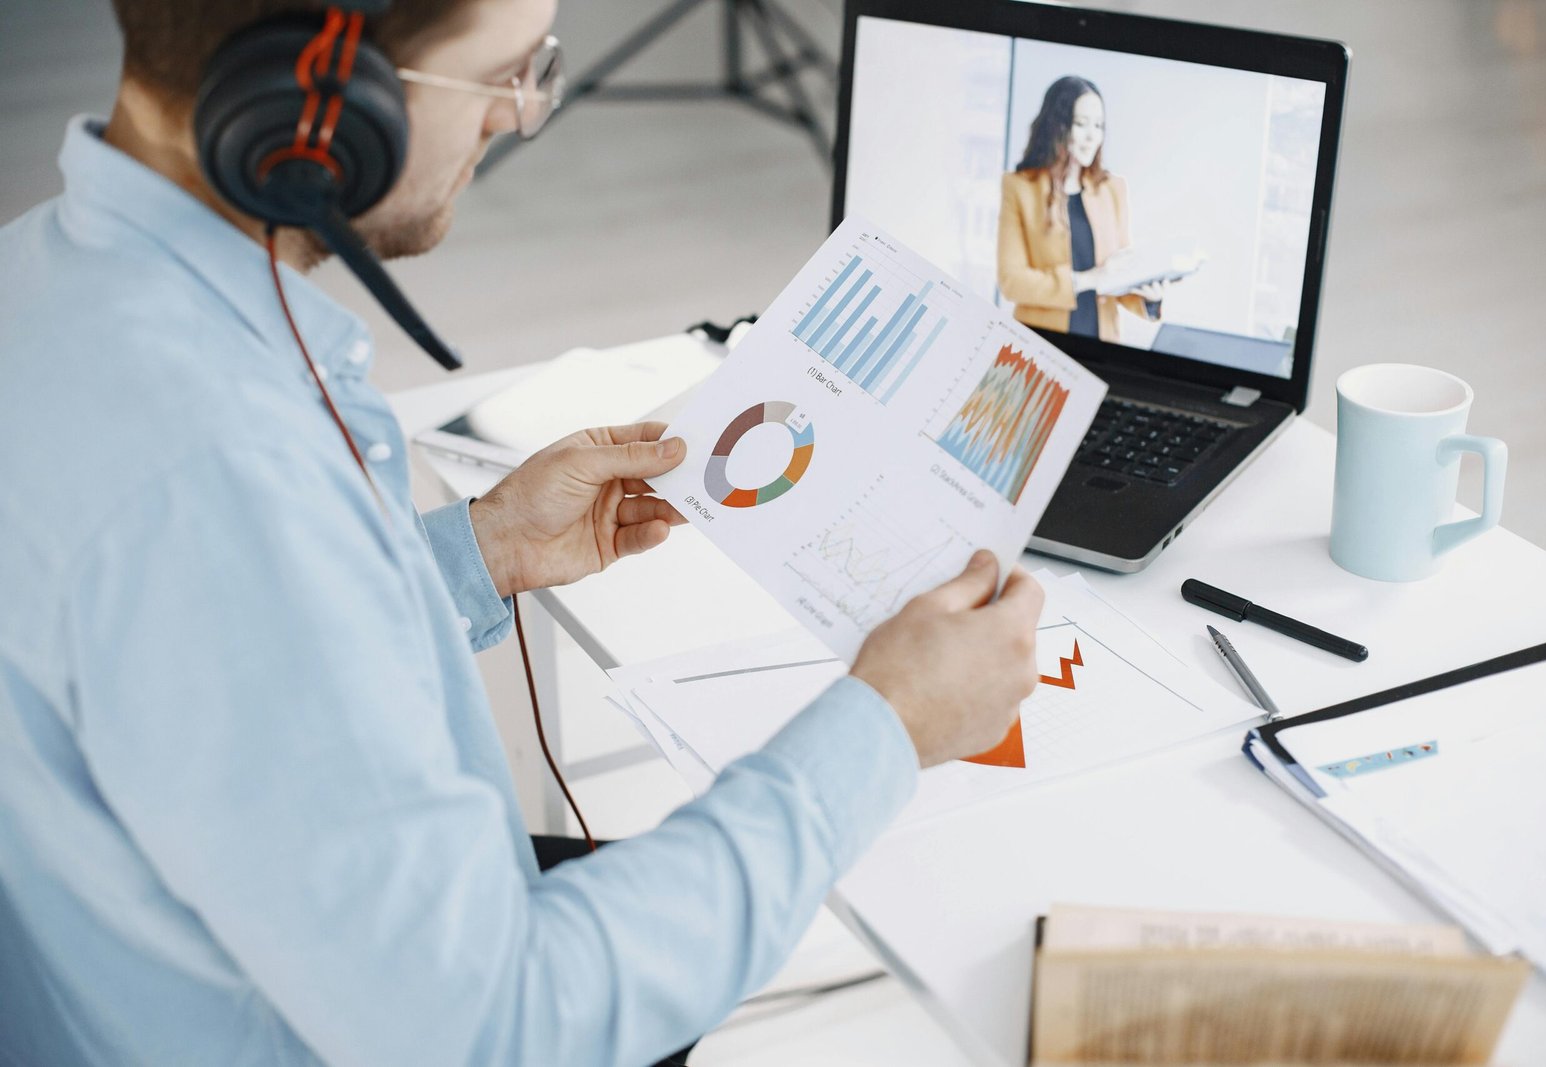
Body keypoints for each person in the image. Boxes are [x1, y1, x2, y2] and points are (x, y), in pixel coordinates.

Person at [0, 1, 1045, 1065]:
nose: (517, 112)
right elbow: (502, 1024)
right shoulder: (222, 481)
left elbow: (215, 662)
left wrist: (477, 549)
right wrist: (887, 723)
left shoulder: (39, 278)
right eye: (501, 74)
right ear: (321, 107)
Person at [997, 75, 1166, 342]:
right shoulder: (1019, 188)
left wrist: (1149, 297)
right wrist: (1088, 279)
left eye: (1099, 126)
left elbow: (1119, 275)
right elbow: (1011, 281)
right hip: (1035, 345)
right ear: (1057, 126)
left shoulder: (1113, 189)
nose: (1092, 137)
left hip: (1101, 344)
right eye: (1081, 124)